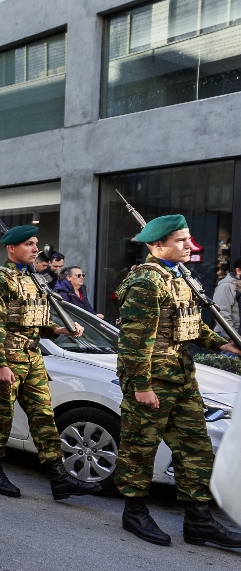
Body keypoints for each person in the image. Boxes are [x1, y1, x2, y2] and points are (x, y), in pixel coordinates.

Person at [115, 215, 241, 547]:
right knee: (140, 447)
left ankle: (198, 521)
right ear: (158, 245)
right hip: (153, 378)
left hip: (181, 376)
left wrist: (224, 344)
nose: (190, 245)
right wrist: (142, 386)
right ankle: (134, 512)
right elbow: (133, 342)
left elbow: (192, 325)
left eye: (188, 238)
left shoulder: (180, 277)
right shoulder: (146, 282)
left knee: (195, 448)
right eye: (181, 240)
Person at [0, 225, 101, 500]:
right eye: (29, 244)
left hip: (33, 358)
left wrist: (59, 330)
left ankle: (59, 477)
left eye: (36, 243)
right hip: (8, 358)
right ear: (11, 248)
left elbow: (34, 320)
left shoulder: (34, 279)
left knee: (43, 416)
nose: (36, 249)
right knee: (0, 416)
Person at [212, 258, 241, 339]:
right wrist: (233, 338)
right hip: (229, 336)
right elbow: (222, 315)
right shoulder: (225, 287)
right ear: (238, 271)